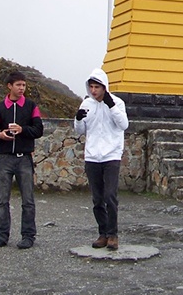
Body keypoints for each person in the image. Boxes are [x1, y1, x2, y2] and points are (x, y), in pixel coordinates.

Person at [0, 71, 44, 249]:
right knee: (2, 200)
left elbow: (39, 130)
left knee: (28, 200)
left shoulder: (31, 106)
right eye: (18, 85)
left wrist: (22, 130)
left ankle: (28, 236)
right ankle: (2, 235)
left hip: (24, 158)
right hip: (4, 159)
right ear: (9, 86)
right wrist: (0, 135)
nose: (22, 88)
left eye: (24, 85)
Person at [74, 68, 129, 251]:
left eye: (97, 86)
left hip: (111, 154)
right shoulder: (86, 104)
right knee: (97, 198)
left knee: (110, 196)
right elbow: (80, 131)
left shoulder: (117, 102)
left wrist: (111, 105)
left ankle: (113, 234)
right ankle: (103, 233)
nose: (93, 90)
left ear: (104, 87)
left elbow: (123, 125)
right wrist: (78, 119)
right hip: (92, 156)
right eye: (91, 87)